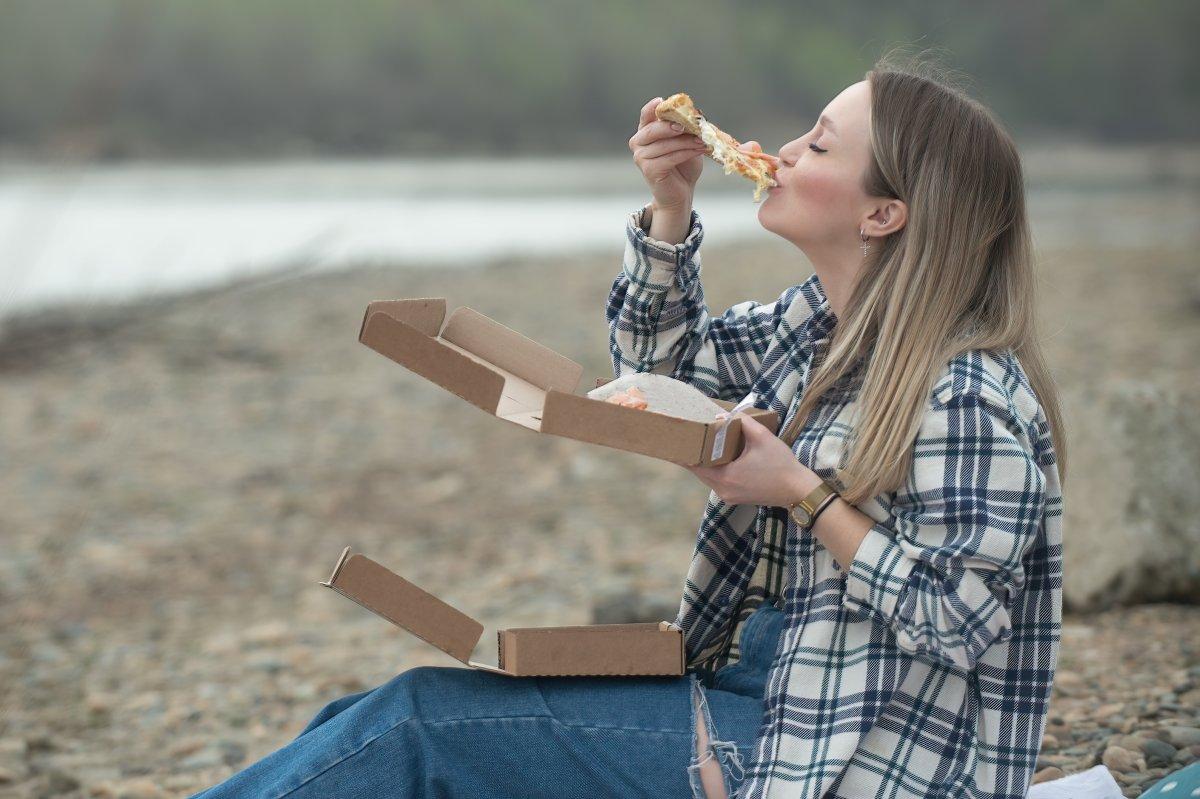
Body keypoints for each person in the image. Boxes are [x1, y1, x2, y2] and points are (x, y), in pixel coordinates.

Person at [190, 50, 1066, 799]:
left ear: (884, 214)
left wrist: (799, 492)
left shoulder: (964, 390)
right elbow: (660, 373)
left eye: (820, 143)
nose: (784, 152)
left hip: (834, 757)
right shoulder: (822, 327)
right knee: (361, 722)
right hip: (763, 689)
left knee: (416, 726)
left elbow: (959, 619)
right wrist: (672, 208)